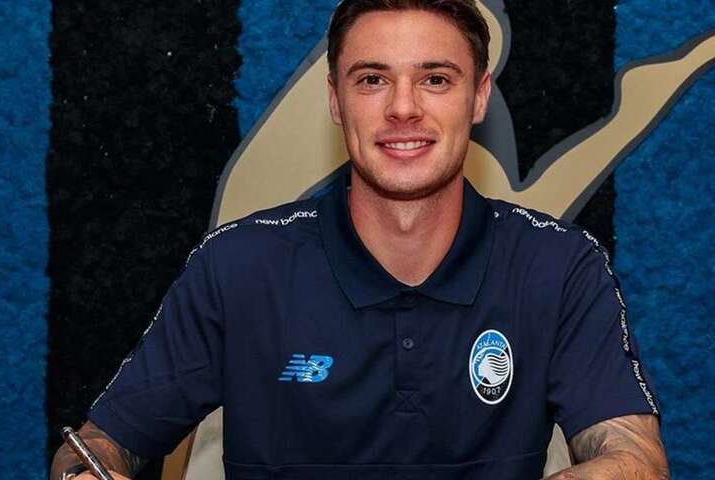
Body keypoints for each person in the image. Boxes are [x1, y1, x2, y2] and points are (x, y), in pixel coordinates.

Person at [51, 1, 670, 479]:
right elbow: (96, 445)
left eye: (436, 79)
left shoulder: (559, 265)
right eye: (372, 79)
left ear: (479, 96)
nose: (403, 109)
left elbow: (635, 456)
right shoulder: (237, 265)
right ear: (335, 100)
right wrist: (84, 473)